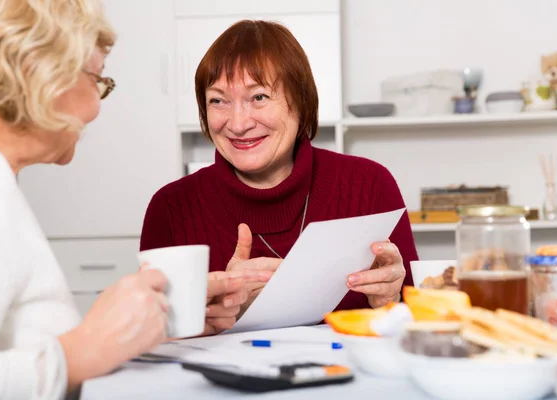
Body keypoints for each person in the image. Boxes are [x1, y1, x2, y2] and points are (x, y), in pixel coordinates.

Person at [0, 1, 269, 399]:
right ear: (40, 72)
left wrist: (155, 328)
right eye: (97, 80)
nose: (94, 107)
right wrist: (88, 346)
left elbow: (25, 353)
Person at [141, 20, 419, 317]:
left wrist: (390, 302)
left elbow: (419, 325)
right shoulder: (170, 208)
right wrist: (216, 312)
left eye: (259, 97)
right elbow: (150, 340)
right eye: (218, 100)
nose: (238, 123)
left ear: (301, 101)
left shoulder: (371, 186)